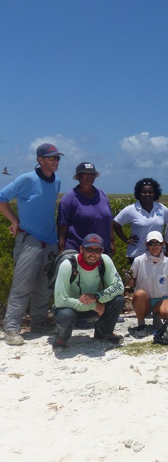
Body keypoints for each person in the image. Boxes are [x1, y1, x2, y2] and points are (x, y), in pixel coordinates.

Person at [1, 143, 63, 346]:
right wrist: (14, 221)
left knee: (45, 286)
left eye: (57, 158)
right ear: (40, 160)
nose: (55, 161)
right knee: (22, 286)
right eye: (51, 158)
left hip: (50, 241)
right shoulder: (27, 179)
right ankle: (11, 328)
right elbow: (2, 198)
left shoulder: (58, 182)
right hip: (30, 240)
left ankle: (39, 322)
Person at [52, 234, 125, 348]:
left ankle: (104, 333)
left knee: (118, 300)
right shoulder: (68, 265)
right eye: (89, 249)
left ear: (102, 251)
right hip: (71, 308)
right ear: (81, 249)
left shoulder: (105, 261)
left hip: (95, 303)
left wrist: (97, 296)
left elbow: (119, 286)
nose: (93, 254)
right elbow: (60, 301)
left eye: (97, 250)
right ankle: (61, 339)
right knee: (66, 315)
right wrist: (93, 305)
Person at [129, 231, 168, 338]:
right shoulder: (138, 261)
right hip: (144, 300)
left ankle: (157, 316)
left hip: (161, 299)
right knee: (139, 294)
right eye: (151, 243)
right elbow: (131, 283)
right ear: (147, 245)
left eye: (158, 243)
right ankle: (141, 323)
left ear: (163, 244)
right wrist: (128, 279)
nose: (155, 246)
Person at [57, 162, 115, 255]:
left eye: (92, 174)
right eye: (86, 174)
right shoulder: (69, 198)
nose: (90, 177)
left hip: (102, 251)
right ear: (78, 176)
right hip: (78, 252)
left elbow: (110, 220)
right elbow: (62, 226)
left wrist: (112, 242)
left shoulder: (102, 195)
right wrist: (61, 249)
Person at [113, 177, 168, 264]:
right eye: (144, 192)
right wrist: (125, 239)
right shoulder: (131, 209)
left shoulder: (162, 209)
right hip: (137, 254)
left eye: (150, 192)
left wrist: (167, 242)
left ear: (155, 194)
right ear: (139, 193)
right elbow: (116, 223)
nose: (147, 194)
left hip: (157, 254)